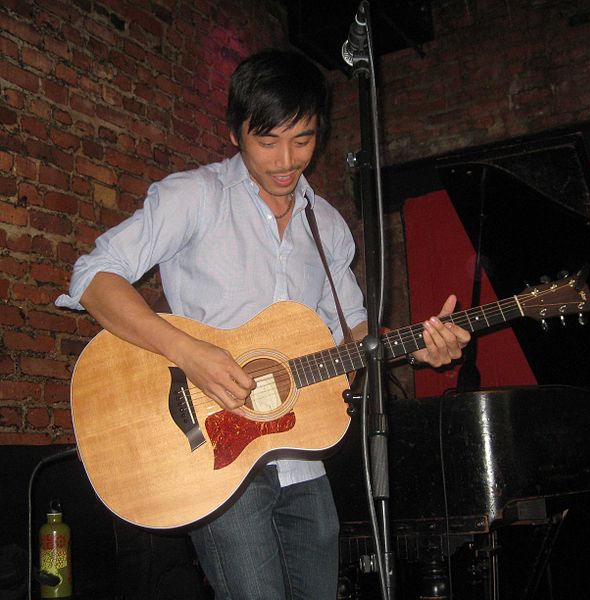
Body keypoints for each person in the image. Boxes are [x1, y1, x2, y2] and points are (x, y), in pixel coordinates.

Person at [56, 49, 470, 600]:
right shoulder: (195, 198)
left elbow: (353, 335)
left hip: (302, 456)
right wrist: (189, 352)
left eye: (302, 141)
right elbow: (92, 277)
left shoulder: (326, 226)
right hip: (212, 452)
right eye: (266, 141)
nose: (285, 160)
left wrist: (419, 346)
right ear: (235, 133)